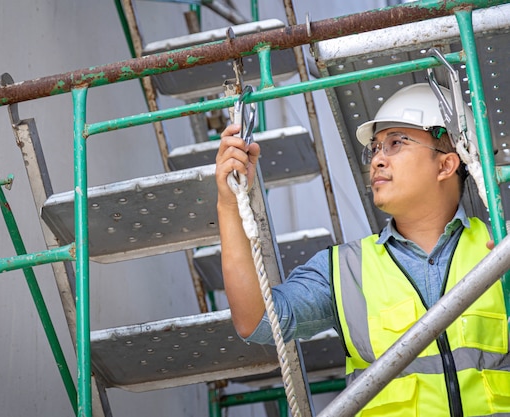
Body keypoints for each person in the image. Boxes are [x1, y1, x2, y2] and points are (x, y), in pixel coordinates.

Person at [214, 83, 510, 416]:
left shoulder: (501, 249)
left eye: (396, 143)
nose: (377, 160)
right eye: (375, 149)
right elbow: (255, 322)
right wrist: (229, 204)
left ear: (446, 166)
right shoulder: (345, 269)